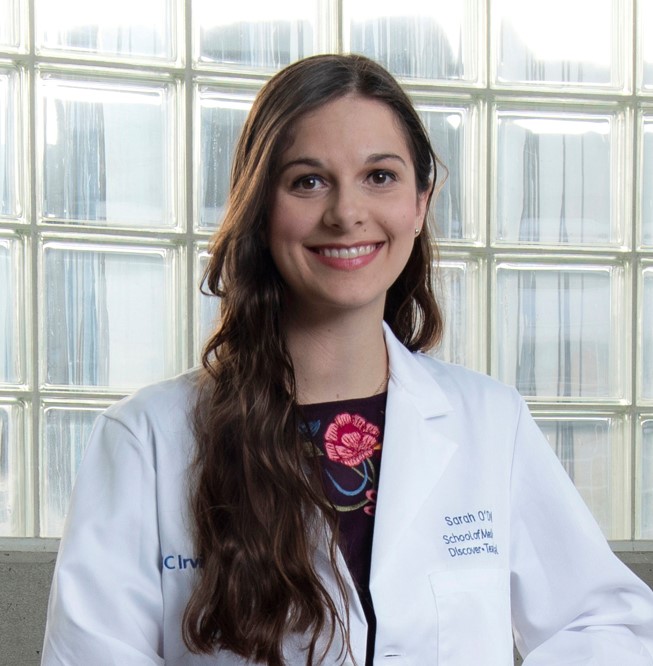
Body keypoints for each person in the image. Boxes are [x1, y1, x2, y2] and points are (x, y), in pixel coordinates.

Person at [42, 54, 653, 666]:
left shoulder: (490, 423)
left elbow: (607, 624)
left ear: (421, 202)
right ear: (260, 208)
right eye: (308, 181)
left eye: (379, 176)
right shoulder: (146, 439)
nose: (346, 213)